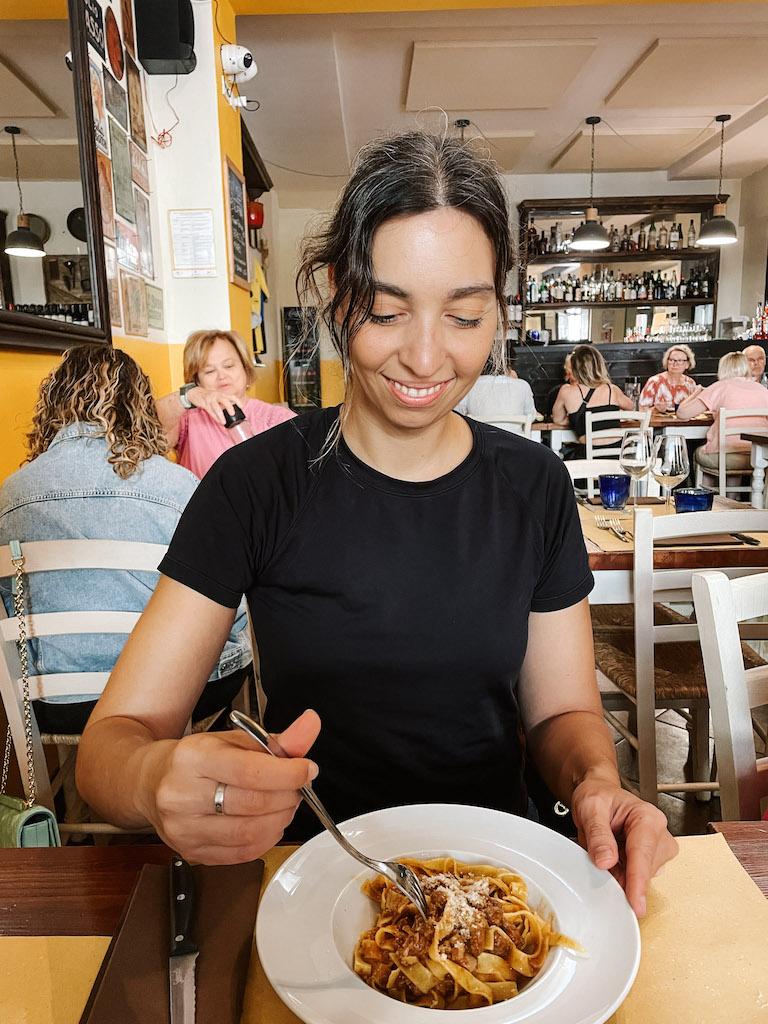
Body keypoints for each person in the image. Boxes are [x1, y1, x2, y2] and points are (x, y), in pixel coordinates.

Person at [77, 130, 675, 918]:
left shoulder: (533, 485)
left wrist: (597, 780)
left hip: (504, 877)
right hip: (312, 883)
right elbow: (109, 744)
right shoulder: (256, 483)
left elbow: (563, 714)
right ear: (338, 290)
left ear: (499, 307)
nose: (426, 358)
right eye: (389, 312)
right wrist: (155, 781)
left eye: (464, 317)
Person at [0, 345, 252, 734]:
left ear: (53, 404)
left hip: (57, 702)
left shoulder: (9, 498)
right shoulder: (179, 487)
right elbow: (224, 601)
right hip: (175, 694)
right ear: (138, 406)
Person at [156, 329, 296, 479]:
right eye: (209, 371)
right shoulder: (189, 419)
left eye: (229, 366)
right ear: (197, 380)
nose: (222, 376)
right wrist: (187, 395)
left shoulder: (275, 417)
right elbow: (144, 428)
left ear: (246, 369)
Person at [677, 351, 768, 481]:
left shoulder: (720, 386)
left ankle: (710, 497)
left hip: (726, 455)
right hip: (759, 456)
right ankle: (732, 497)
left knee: (700, 453)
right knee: (732, 456)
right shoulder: (763, 390)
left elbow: (682, 413)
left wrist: (696, 393)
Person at [552, 344, 634, 459]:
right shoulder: (612, 389)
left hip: (588, 460)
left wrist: (576, 418)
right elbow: (631, 407)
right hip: (617, 458)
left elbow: (558, 420)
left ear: (574, 367)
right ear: (599, 366)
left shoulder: (566, 391)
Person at [455, 351, 538, 433]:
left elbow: (457, 413)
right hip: (514, 444)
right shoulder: (522, 385)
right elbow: (532, 416)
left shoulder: (471, 385)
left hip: (482, 443)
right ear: (509, 364)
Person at [639, 344, 698, 412]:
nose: (675, 364)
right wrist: (655, 409)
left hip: (685, 422)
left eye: (680, 360)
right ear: (666, 362)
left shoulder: (690, 383)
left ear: (687, 364)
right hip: (657, 422)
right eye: (672, 360)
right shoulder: (654, 382)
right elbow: (641, 411)